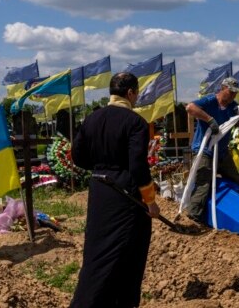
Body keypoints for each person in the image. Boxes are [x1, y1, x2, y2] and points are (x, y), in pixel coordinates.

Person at [70, 72, 160, 308]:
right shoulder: (135, 122)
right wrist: (150, 201)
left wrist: (102, 168)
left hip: (100, 190)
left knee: (98, 254)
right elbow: (138, 167)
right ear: (130, 93)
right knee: (127, 255)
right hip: (126, 196)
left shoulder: (92, 118)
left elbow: (77, 156)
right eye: (137, 93)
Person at [186, 77, 239, 223]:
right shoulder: (210, 101)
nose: (232, 96)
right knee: (203, 182)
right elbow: (190, 107)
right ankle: (194, 216)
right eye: (230, 92)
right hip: (204, 150)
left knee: (235, 180)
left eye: (235, 93)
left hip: (222, 152)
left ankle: (236, 210)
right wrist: (209, 119)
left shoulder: (233, 107)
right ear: (223, 88)